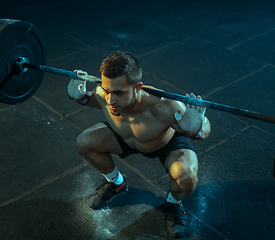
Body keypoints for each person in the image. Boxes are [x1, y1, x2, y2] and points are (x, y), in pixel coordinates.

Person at [68, 51, 211, 238]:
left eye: (119, 92)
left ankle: (173, 203)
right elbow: (95, 99)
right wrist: (81, 98)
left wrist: (198, 130)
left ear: (138, 87)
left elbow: (204, 127)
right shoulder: (105, 93)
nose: (111, 99)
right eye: (107, 90)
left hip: (164, 142)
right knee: (84, 143)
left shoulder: (165, 106)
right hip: (125, 137)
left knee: (187, 178)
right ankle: (116, 183)